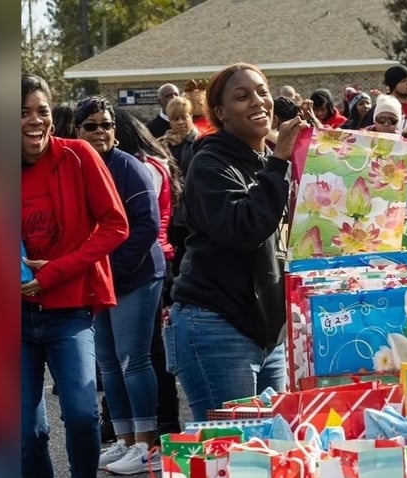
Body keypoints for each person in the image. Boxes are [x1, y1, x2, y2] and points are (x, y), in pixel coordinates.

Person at [165, 62, 309, 421]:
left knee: (274, 447)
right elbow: (244, 227)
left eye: (262, 91)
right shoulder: (209, 163)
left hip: (266, 333)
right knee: (231, 455)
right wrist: (278, 163)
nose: (258, 101)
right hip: (216, 325)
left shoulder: (265, 158)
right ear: (220, 113)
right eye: (242, 96)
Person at [21, 75, 129, 478]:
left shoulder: (80, 155)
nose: (34, 120)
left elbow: (116, 225)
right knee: (25, 431)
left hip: (69, 310)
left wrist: (54, 271)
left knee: (84, 415)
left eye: (42, 111)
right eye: (23, 112)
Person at [74, 96, 166, 475]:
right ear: (76, 130)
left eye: (107, 124)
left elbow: (146, 225)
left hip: (136, 276)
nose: (100, 131)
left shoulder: (128, 167)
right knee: (109, 364)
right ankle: (125, 439)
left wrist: (113, 273)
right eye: (91, 125)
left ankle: (148, 444)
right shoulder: (77, 166)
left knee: (134, 360)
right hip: (100, 279)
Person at [112, 107, 184, 440]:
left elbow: (146, 222)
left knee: (148, 353)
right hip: (151, 258)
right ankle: (149, 429)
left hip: (151, 261)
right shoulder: (152, 163)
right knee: (146, 352)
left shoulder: (142, 168)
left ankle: (161, 426)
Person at [157, 96, 199, 169]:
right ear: (169, 121)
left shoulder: (200, 141)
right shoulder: (162, 144)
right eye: (176, 119)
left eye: (184, 118)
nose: (180, 122)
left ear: (191, 116)